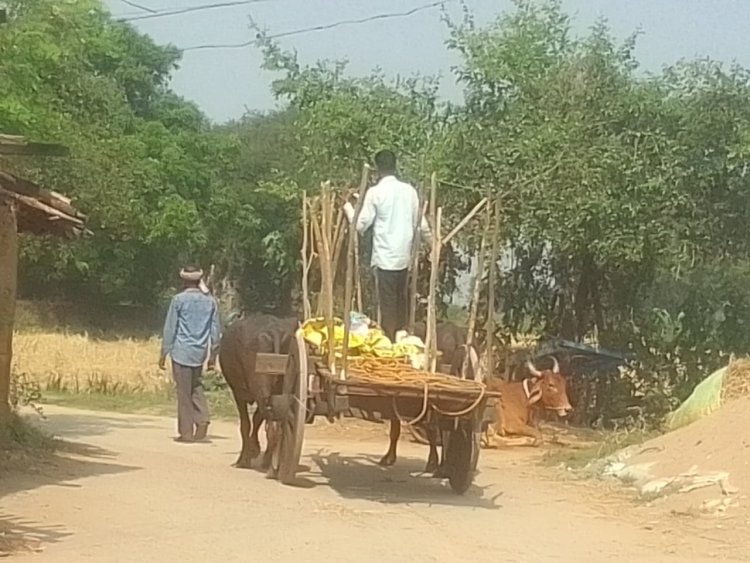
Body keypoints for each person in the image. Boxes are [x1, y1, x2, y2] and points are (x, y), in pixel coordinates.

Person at [344, 150, 431, 340]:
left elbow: (360, 226)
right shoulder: (410, 191)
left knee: (388, 303)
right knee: (401, 301)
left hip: (385, 258)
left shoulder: (375, 193)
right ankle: (401, 337)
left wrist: (349, 208)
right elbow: (421, 225)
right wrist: (433, 243)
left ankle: (390, 342)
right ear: (395, 166)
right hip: (404, 257)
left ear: (376, 169)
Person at [159, 266, 221, 443]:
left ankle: (186, 432)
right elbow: (215, 332)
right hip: (199, 352)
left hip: (181, 351)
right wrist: (212, 357)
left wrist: (164, 352)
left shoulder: (178, 300)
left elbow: (170, 328)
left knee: (183, 392)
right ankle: (202, 420)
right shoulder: (210, 302)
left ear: (184, 281)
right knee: (196, 386)